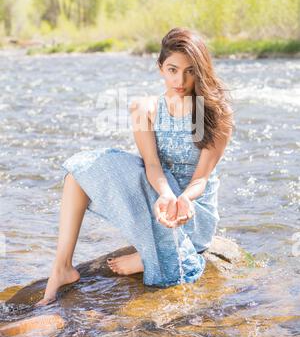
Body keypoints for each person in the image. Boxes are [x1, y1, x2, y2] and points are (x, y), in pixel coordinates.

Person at [36, 27, 234, 306]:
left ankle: (151, 255)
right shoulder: (144, 108)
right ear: (160, 67)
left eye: (190, 71)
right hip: (159, 192)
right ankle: (62, 268)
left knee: (176, 215)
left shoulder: (216, 113)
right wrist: (165, 194)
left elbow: (201, 178)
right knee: (79, 173)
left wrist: (183, 200)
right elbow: (152, 165)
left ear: (200, 71)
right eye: (172, 69)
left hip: (192, 207)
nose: (180, 79)